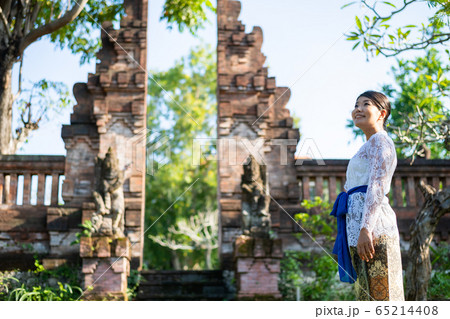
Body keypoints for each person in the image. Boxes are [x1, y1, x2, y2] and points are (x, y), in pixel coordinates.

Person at [331, 90, 405, 301]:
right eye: (356, 105)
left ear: (381, 114)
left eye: (365, 104)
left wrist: (366, 228)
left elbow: (377, 186)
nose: (358, 109)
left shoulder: (381, 142)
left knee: (383, 295)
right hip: (358, 231)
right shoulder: (366, 146)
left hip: (374, 229)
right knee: (367, 296)